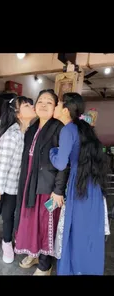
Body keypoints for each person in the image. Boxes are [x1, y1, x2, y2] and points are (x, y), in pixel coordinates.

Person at [49, 92, 108, 275]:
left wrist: (53, 151)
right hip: (92, 187)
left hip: (78, 185)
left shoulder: (68, 129)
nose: (55, 107)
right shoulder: (84, 128)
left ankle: (72, 269)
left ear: (65, 109)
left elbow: (60, 163)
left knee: (75, 231)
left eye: (57, 104)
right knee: (89, 231)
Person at [14, 89, 69, 275]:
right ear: (35, 106)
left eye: (49, 102)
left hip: (48, 187)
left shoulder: (59, 128)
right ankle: (34, 253)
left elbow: (64, 163)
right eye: (40, 101)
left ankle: (45, 264)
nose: (43, 105)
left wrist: (59, 190)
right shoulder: (32, 127)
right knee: (30, 222)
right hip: (29, 183)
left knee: (46, 224)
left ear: (55, 108)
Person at [0, 96, 36, 263]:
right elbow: (2, 168)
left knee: (9, 216)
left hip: (13, 185)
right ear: (18, 114)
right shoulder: (11, 136)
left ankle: (7, 242)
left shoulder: (27, 132)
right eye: (26, 105)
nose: (32, 106)